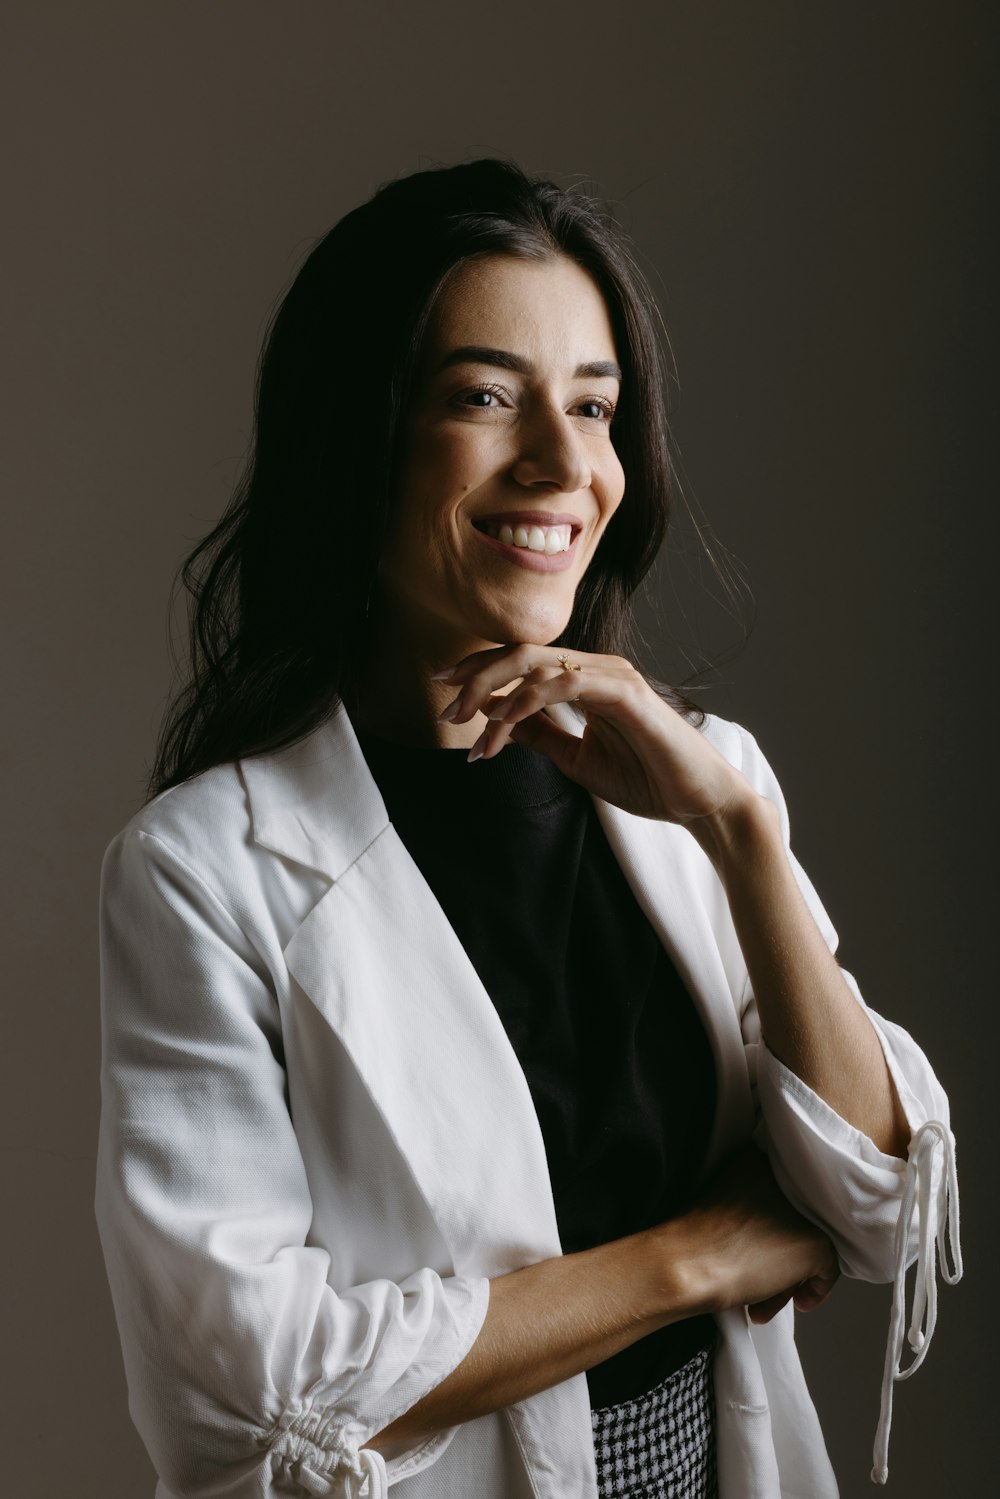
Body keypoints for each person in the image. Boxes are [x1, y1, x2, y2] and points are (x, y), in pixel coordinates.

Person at [95, 157, 960, 1499]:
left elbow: (884, 1210)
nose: (566, 462)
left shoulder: (703, 786)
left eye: (597, 407)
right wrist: (695, 1258)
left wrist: (739, 830)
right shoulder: (203, 873)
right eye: (486, 398)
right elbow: (250, 1388)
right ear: (362, 434)